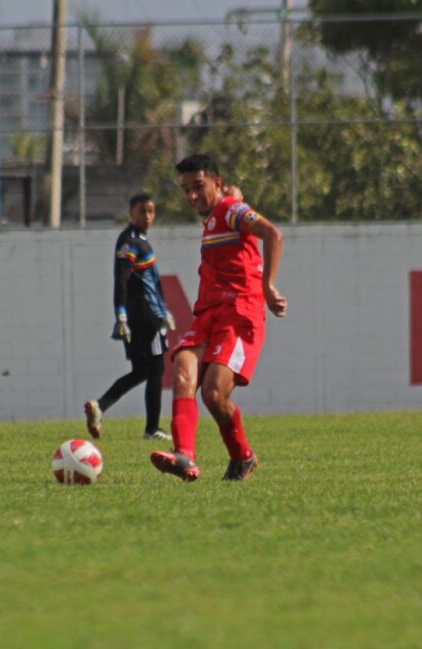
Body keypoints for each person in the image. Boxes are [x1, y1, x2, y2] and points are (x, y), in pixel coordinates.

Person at [150, 154, 287, 483]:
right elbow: (228, 210)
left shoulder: (229, 210)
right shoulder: (218, 213)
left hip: (239, 313)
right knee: (183, 367)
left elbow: (273, 234)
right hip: (208, 314)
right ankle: (184, 456)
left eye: (198, 186)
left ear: (217, 183)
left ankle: (242, 457)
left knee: (213, 394)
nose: (192, 196)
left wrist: (268, 287)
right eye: (186, 190)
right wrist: (230, 197)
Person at [84, 193, 176, 442]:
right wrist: (122, 315)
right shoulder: (132, 243)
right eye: (142, 211)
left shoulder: (134, 240)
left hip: (138, 317)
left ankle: (100, 405)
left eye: (151, 211)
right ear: (130, 214)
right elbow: (122, 281)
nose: (147, 216)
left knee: (141, 371)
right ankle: (152, 429)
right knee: (157, 368)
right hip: (146, 317)